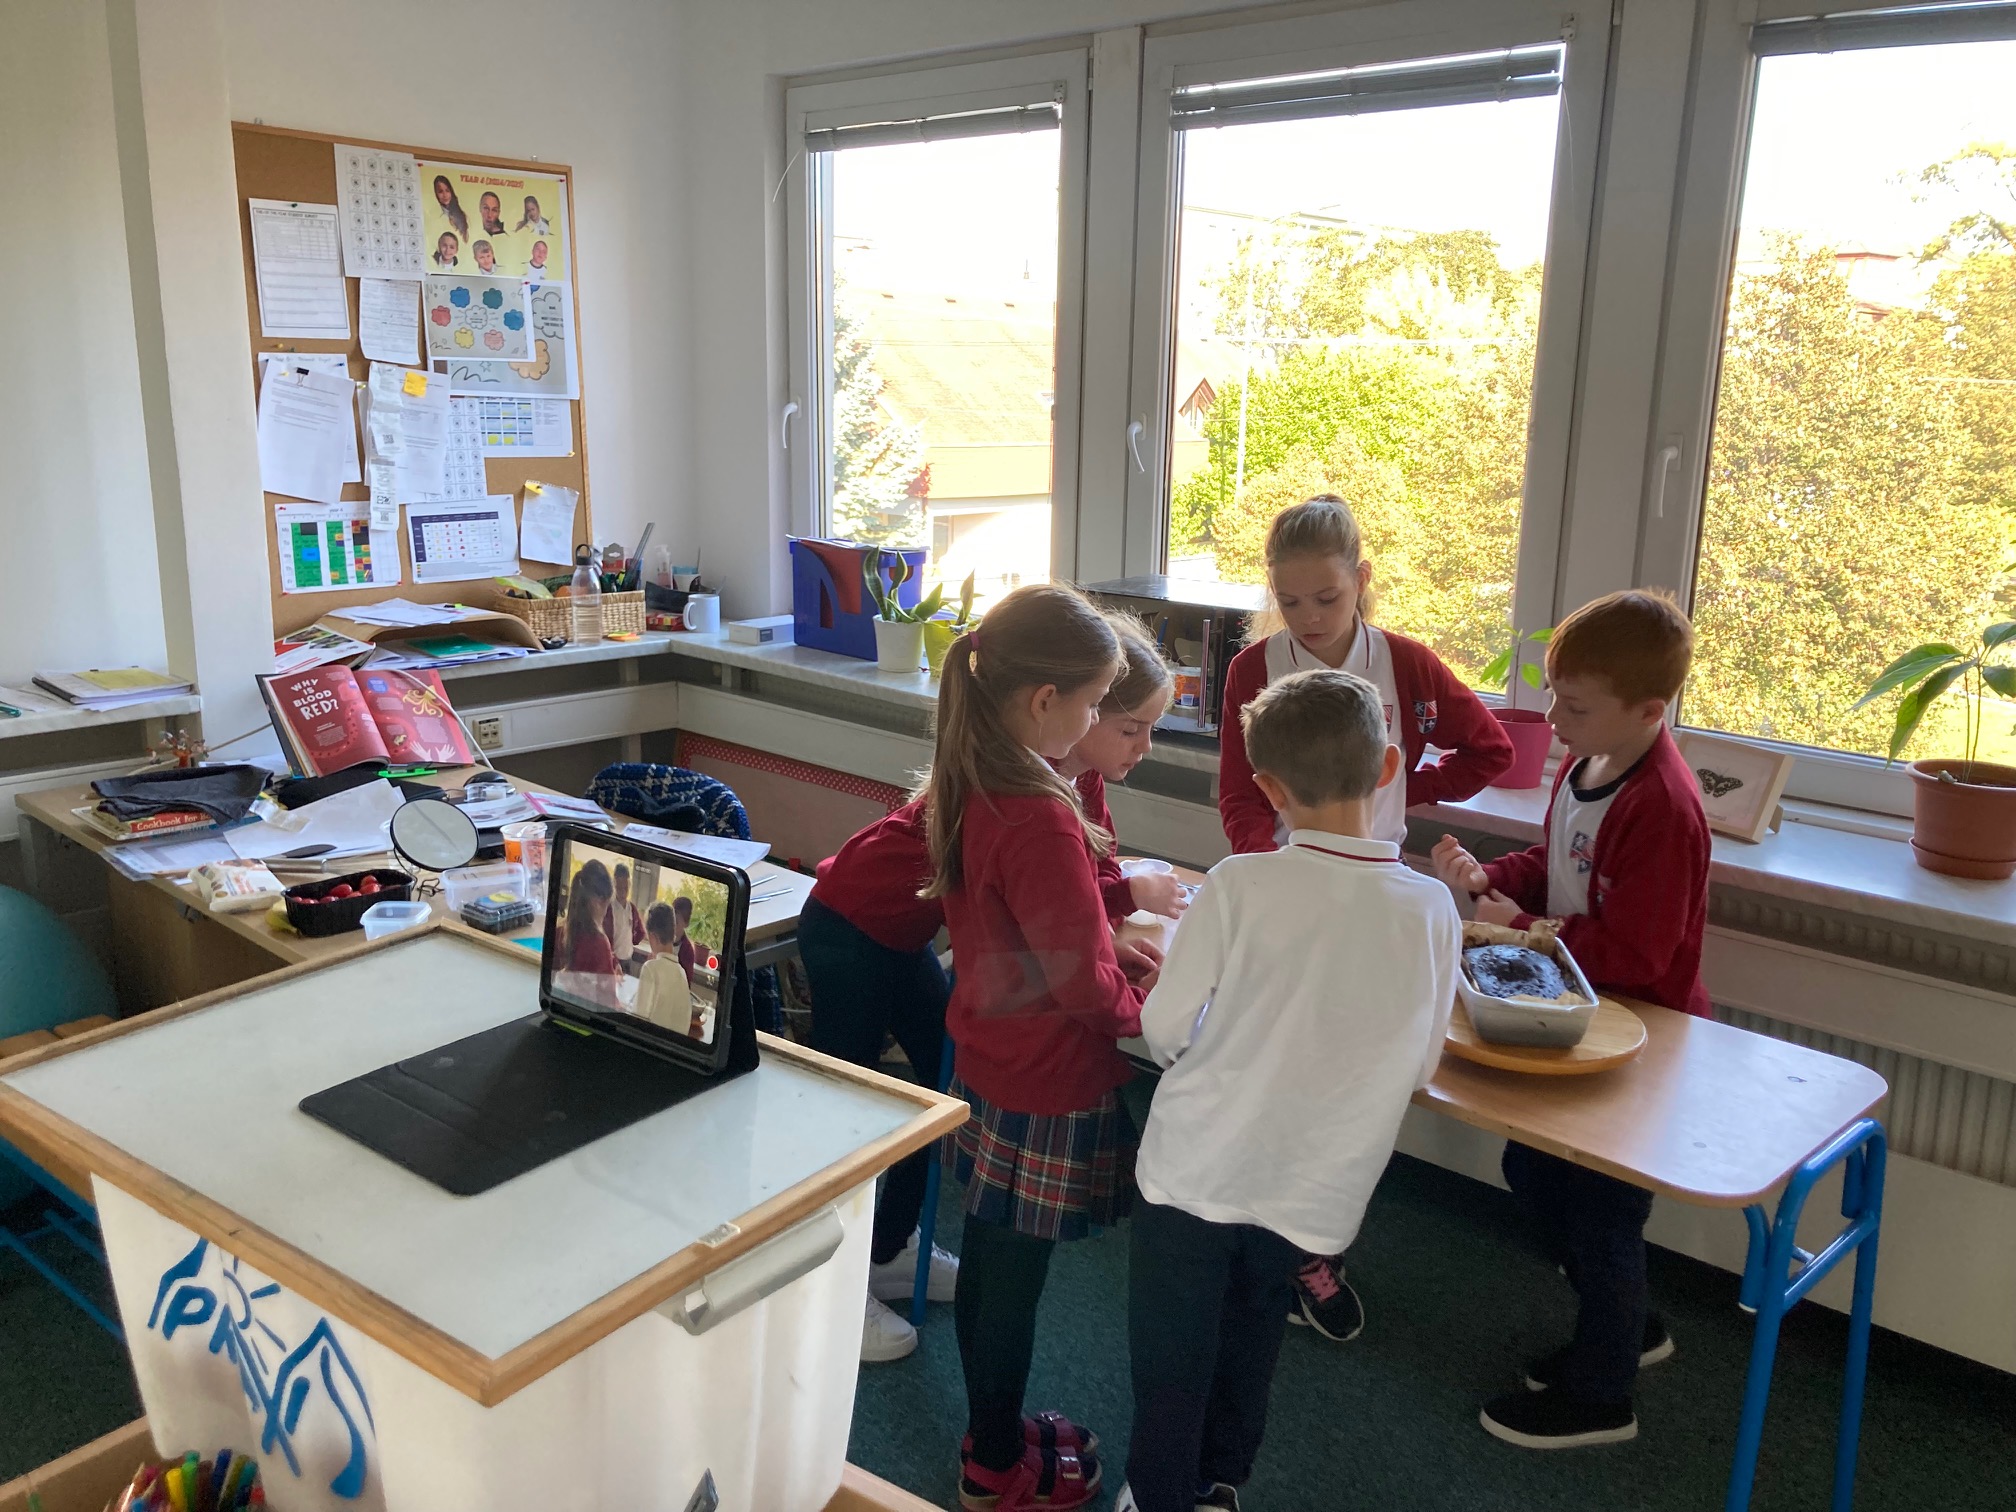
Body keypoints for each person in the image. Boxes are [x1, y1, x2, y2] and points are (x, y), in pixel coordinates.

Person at [1117, 669, 1459, 1512]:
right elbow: (1420, 1066)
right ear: (1388, 768)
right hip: (1311, 1190)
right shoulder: (1432, 909)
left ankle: (1159, 1495)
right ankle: (1220, 1482)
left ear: (1268, 788)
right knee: (1254, 1332)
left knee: (1172, 1356)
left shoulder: (1239, 882)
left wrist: (1216, 1047)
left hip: (1193, 1172)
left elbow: (1163, 1028)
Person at [801, 611, 1181, 1366]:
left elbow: (1055, 895)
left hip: (902, 936)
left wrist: (1106, 924)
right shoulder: (1014, 784)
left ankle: (887, 1249)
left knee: (928, 1102)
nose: (1134, 743)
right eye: (1118, 718)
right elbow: (1047, 897)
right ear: (1054, 702)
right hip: (850, 929)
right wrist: (1120, 957)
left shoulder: (1054, 775)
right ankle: (828, 1287)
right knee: (850, 1116)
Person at [1216, 494, 1512, 1338]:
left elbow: (1490, 748)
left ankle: (1317, 1246)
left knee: (1348, 1086)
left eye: (1327, 598)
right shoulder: (1253, 670)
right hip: (1288, 893)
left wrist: (1404, 787)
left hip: (1374, 897)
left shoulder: (1405, 665)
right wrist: (1270, 866)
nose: (1308, 618)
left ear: (1362, 581)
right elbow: (1239, 794)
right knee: (1277, 1068)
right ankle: (1263, 1237)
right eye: (1289, 601)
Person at [1429, 589, 1710, 1450]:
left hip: (1642, 1037)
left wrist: (1521, 926)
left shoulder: (1662, 805)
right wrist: (1494, 876)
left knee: (1602, 1212)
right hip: (1581, 1022)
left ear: (1649, 711)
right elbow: (1560, 868)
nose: (1553, 719)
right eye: (1554, 694)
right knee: (1534, 1168)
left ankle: (1601, 1396)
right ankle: (1622, 1323)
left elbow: (1641, 954)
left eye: (1575, 706)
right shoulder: (1586, 765)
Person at [928, 584, 1140, 1512]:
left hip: (993, 1059)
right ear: (1046, 699)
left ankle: (995, 1432)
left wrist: (1109, 960)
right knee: (1012, 1286)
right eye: (1093, 704)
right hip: (1046, 1079)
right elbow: (1082, 983)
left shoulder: (977, 774)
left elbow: (1038, 939)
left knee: (990, 1266)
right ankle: (993, 1468)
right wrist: (1144, 1012)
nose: (1095, 722)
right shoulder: (1041, 810)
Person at [558, 859, 620, 1009]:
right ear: (598, 902)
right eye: (607, 905)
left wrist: (613, 963)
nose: (605, 913)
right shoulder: (598, 942)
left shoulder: (562, 930)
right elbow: (609, 1004)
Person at [633, 901, 691, 1032]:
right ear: (673, 934)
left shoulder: (650, 969)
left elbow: (637, 1019)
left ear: (652, 936)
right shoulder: (682, 974)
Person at [610, 863, 646, 966]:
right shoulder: (609, 908)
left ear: (629, 885)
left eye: (625, 888)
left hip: (627, 959)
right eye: (619, 888)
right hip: (613, 960)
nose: (622, 892)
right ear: (614, 885)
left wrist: (633, 941)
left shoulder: (632, 909)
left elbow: (641, 931)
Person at [432, 174, 467, 239]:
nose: (445, 195)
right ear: (436, 194)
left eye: (447, 191)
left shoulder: (462, 215)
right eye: (440, 191)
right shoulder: (438, 218)